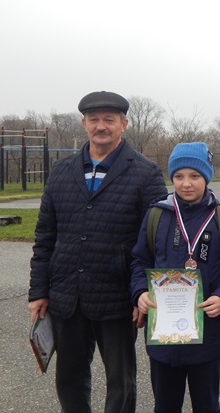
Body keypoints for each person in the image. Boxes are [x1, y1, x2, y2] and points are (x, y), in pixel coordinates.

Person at [28, 91, 168, 413]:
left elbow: (155, 240)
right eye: (94, 120)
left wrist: (144, 292)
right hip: (67, 295)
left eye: (109, 119)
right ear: (84, 124)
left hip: (117, 297)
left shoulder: (145, 172)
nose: (101, 126)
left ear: (124, 124)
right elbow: (45, 235)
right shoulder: (61, 171)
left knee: (121, 381)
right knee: (69, 378)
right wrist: (38, 291)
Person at [130, 142, 220, 413]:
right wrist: (140, 293)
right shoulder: (156, 216)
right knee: (165, 405)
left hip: (208, 336)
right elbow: (139, 261)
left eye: (194, 176)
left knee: (207, 405)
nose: (186, 183)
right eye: (179, 176)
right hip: (163, 336)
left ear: (206, 176)